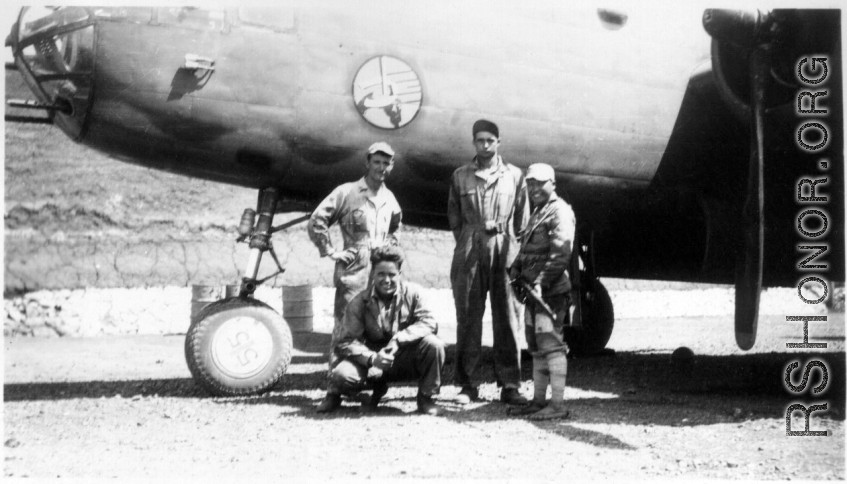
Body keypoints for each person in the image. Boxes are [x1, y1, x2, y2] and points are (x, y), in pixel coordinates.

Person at [447, 119, 530, 405]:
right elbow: (455, 218)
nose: (484, 145)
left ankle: (510, 385)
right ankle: (467, 385)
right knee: (468, 317)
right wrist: (471, 237)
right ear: (474, 142)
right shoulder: (460, 176)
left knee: (507, 316)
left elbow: (522, 220)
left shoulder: (515, 176)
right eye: (479, 140)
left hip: (505, 245)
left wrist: (512, 248)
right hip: (470, 245)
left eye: (489, 140)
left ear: (498, 142)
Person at [315, 245, 446, 416]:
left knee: (434, 345)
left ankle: (426, 399)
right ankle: (374, 388)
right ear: (372, 274)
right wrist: (372, 359)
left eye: (392, 275)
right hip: (372, 362)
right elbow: (345, 342)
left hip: (404, 357)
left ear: (399, 274)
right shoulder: (359, 302)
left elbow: (429, 322)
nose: (387, 280)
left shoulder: (413, 294)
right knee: (341, 375)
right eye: (381, 274)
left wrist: (399, 339)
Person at [308, 142, 403, 371]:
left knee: (376, 323)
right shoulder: (347, 192)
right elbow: (317, 221)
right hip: (354, 267)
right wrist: (331, 251)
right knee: (346, 324)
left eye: (386, 163)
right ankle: (335, 384)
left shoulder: (389, 198)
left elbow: (395, 227)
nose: (381, 167)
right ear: (367, 163)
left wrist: (389, 251)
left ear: (391, 166)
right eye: (377, 162)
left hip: (379, 269)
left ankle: (364, 378)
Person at [508, 163, 575, 420]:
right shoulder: (538, 212)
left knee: (551, 345)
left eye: (540, 183)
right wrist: (516, 268)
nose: (534, 188)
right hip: (532, 292)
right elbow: (527, 250)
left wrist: (541, 281)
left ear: (553, 184)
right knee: (535, 347)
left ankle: (556, 405)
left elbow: (561, 255)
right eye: (530, 184)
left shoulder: (559, 211)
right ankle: (538, 401)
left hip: (550, 293)